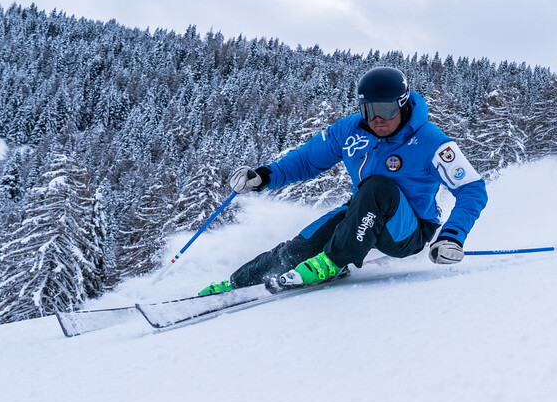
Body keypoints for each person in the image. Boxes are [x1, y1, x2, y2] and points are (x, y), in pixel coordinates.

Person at [198, 66, 488, 294]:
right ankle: (238, 283)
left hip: (409, 231)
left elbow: (471, 188)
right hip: (363, 213)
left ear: (403, 104)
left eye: (385, 110)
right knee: (299, 247)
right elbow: (307, 160)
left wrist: (452, 236)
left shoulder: (432, 141)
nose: (377, 119)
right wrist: (264, 176)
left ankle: (333, 261)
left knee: (379, 186)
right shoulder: (351, 130)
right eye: (368, 110)